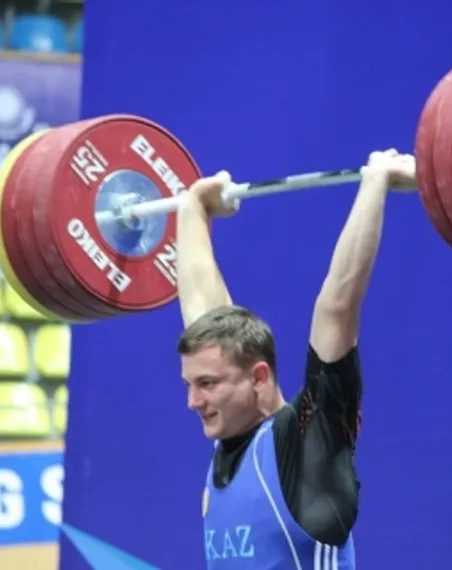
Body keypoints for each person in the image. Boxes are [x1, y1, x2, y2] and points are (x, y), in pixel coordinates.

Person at [176, 149, 416, 569]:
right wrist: (192, 208)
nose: (193, 401)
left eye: (207, 385)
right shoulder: (230, 442)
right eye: (191, 384)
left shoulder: (308, 446)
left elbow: (337, 307)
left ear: (258, 377)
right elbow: (202, 308)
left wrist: (375, 182)